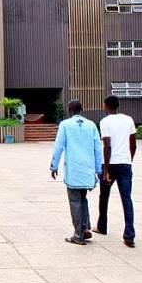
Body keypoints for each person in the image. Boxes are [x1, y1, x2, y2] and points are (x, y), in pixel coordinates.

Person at [50, 100, 102, 245]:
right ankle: (85, 228)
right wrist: (99, 169)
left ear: (69, 110)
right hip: (87, 170)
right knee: (83, 198)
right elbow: (98, 149)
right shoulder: (91, 125)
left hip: (74, 170)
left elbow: (58, 146)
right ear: (82, 109)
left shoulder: (65, 125)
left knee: (74, 201)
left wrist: (54, 166)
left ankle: (78, 235)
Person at [94, 95, 137, 248]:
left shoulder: (105, 122)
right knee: (126, 198)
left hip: (110, 165)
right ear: (118, 105)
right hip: (125, 164)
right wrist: (129, 160)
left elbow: (107, 146)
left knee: (104, 196)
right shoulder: (128, 120)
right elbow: (133, 144)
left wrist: (105, 170)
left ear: (106, 106)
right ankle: (129, 235)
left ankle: (102, 226)